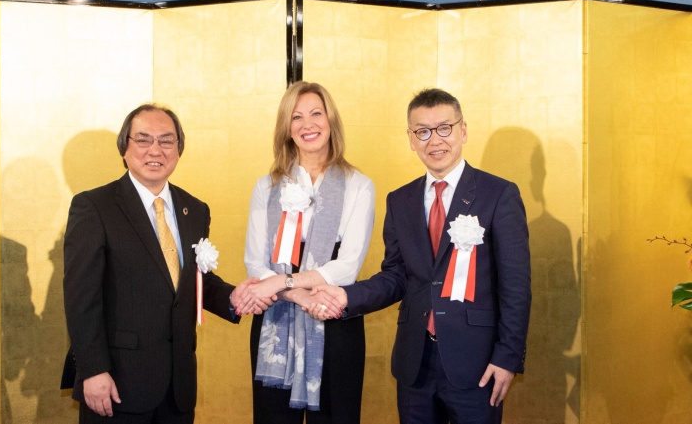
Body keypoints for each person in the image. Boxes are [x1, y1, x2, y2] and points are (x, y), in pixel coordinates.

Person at [313, 88, 531, 424]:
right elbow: (396, 276)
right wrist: (345, 296)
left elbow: (516, 286)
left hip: (478, 364)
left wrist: (508, 357)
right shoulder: (400, 200)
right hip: (415, 363)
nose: (435, 140)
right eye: (423, 132)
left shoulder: (498, 194)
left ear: (463, 130)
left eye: (445, 128)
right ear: (411, 139)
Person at [63, 103, 271, 423]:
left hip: (178, 386)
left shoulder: (195, 209)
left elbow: (194, 281)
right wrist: (93, 371)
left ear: (178, 149)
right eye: (143, 140)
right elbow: (81, 299)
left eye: (166, 140)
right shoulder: (94, 206)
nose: (155, 150)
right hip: (117, 383)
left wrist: (236, 297)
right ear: (124, 148)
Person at [234, 81, 375, 424]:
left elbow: (348, 266)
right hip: (277, 317)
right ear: (286, 127)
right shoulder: (266, 186)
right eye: (296, 117)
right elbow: (255, 261)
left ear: (331, 121)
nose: (307, 124)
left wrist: (287, 282)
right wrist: (298, 296)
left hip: (334, 313)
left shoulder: (359, 185)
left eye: (316, 113)